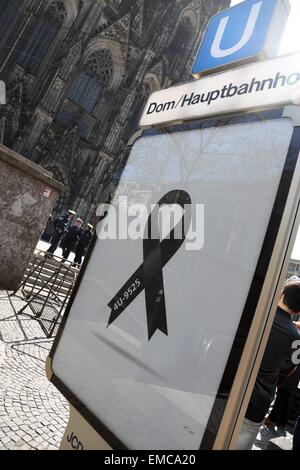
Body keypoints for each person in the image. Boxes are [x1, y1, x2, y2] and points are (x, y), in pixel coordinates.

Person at [236, 281, 300, 450]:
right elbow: (290, 369)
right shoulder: (295, 336)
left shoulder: (258, 314)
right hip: (260, 398)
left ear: (281, 295)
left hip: (233, 385)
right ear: (298, 311)